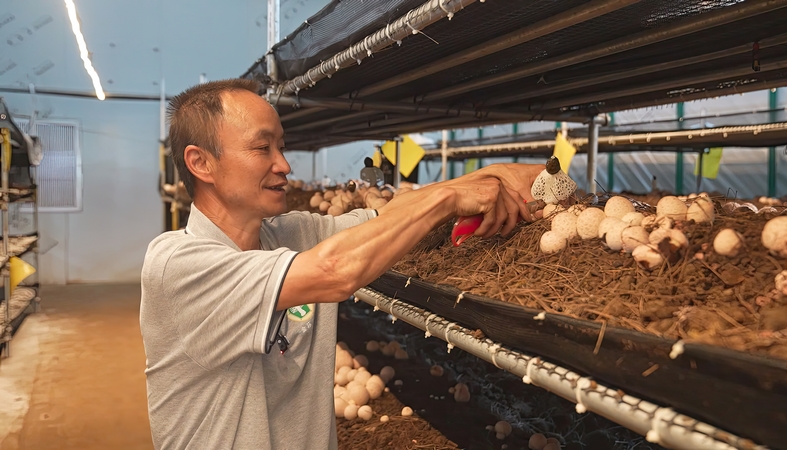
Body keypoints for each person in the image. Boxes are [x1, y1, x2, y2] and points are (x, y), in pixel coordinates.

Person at [139, 78, 544, 450]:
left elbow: (389, 219)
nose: (283, 164)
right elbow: (335, 271)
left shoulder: (287, 233)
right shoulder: (177, 265)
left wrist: (493, 175)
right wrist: (451, 199)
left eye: (281, 146)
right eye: (263, 148)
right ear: (201, 163)